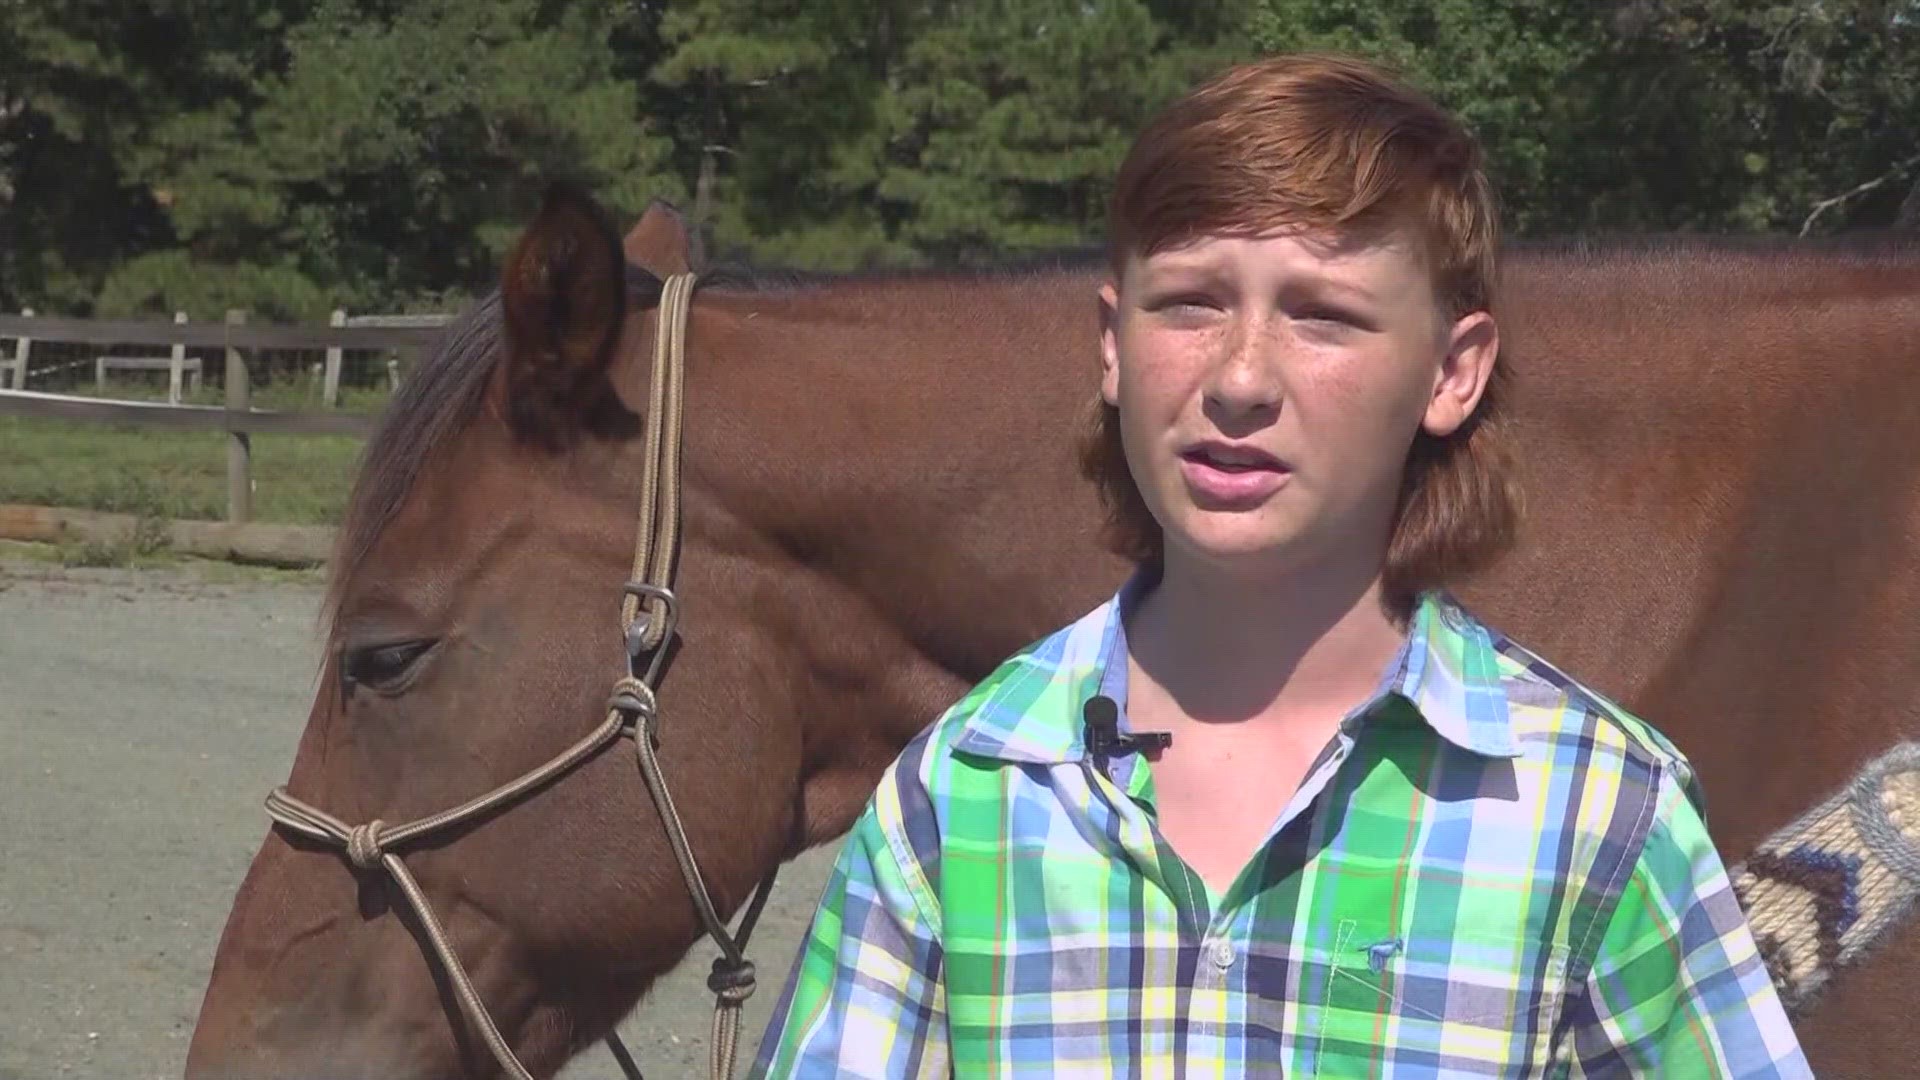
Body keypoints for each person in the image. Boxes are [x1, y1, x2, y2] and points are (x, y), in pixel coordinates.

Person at [749, 52, 1810, 1078]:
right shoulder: (962, 795)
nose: (1242, 377)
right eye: (1192, 302)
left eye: (1322, 315)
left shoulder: (1596, 815)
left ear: (1451, 372)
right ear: (1113, 346)